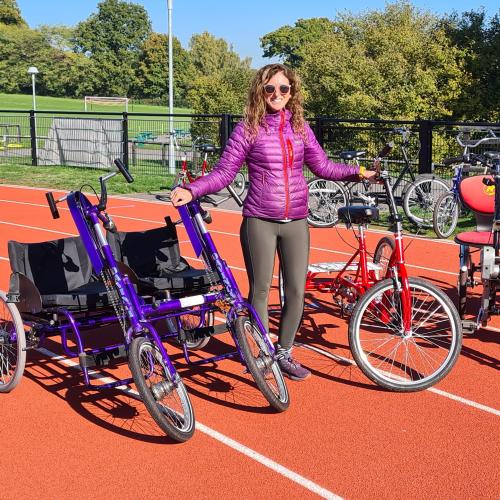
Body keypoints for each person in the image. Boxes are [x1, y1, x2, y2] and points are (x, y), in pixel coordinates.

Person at [171, 63, 377, 381]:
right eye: (270, 89)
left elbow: (322, 166)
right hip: (259, 220)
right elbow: (225, 173)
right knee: (260, 292)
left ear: (292, 92)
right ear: (260, 92)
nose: (277, 94)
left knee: (295, 290)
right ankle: (262, 354)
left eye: (283, 88)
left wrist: (358, 172)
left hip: (296, 220)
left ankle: (284, 353)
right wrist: (191, 189)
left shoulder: (301, 128)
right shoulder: (247, 130)